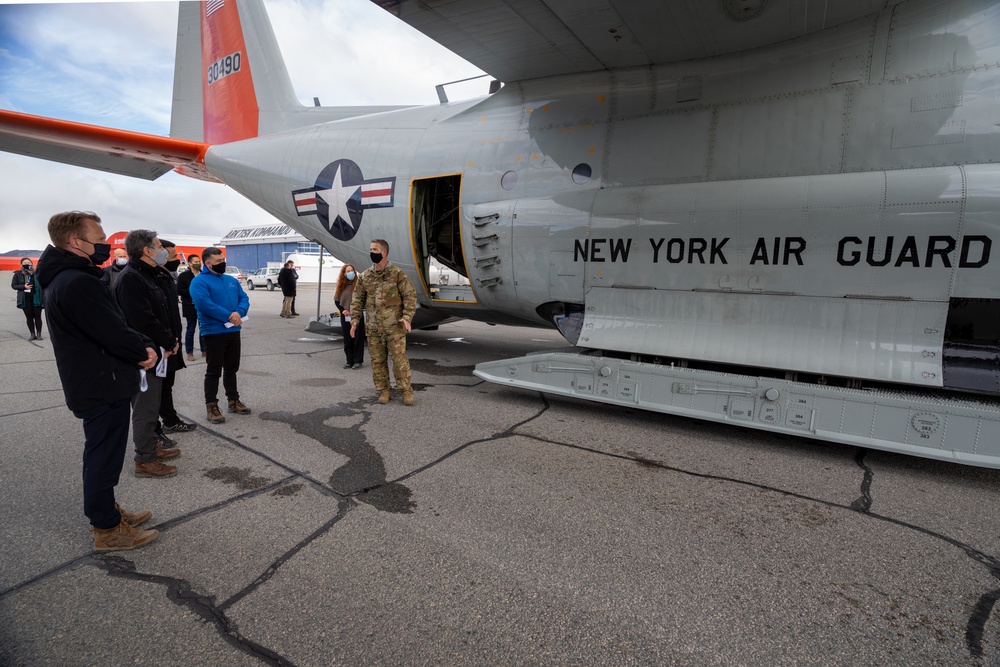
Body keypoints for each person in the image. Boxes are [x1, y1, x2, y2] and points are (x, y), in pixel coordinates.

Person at [35, 210, 159, 551]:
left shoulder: (70, 277)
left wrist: (140, 343)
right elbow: (111, 331)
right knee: (103, 456)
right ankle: (106, 528)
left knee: (102, 452)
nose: (106, 245)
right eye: (100, 239)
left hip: (96, 380)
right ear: (75, 241)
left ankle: (107, 512)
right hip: (101, 384)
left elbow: (111, 323)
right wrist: (144, 349)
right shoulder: (77, 282)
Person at [112, 230, 182, 479]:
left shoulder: (149, 274)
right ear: (147, 250)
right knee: (145, 408)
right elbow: (142, 319)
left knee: (151, 406)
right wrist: (168, 340)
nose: (163, 249)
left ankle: (151, 447)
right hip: (146, 353)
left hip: (158, 349)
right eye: (159, 245)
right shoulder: (131, 278)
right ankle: (144, 459)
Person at [350, 239, 417, 405]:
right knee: (377, 362)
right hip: (373, 328)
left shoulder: (397, 274)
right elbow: (357, 299)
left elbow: (410, 296)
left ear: (384, 252)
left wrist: (407, 317)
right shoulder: (365, 276)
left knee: (399, 360)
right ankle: (384, 390)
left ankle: (405, 391)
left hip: (394, 328)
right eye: (371, 249)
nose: (371, 252)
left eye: (375, 249)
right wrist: (354, 320)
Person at [190, 247, 251, 423]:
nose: (222, 263)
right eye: (218, 261)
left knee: (232, 368)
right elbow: (204, 304)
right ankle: (212, 405)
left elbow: (244, 298)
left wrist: (239, 312)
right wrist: (228, 315)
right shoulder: (199, 282)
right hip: (214, 332)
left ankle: (233, 400)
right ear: (207, 264)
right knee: (213, 371)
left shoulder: (230, 280)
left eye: (223, 260)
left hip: (233, 330)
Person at [157, 240, 197, 434]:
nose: (175, 260)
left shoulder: (165, 277)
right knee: (154, 391)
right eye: (173, 257)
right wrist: (167, 341)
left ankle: (170, 420)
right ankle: (155, 432)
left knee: (166, 385)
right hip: (159, 345)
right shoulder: (142, 279)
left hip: (170, 341)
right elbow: (145, 317)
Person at [334, 263, 365, 369]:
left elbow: (363, 300)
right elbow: (337, 301)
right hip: (345, 315)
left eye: (352, 270)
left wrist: (356, 310)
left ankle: (358, 360)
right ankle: (349, 360)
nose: (350, 272)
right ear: (344, 273)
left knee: (358, 338)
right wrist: (343, 311)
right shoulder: (341, 287)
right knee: (348, 338)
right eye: (348, 271)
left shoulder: (358, 285)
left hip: (357, 315)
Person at [176, 253, 205, 361]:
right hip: (190, 306)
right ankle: (189, 352)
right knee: (190, 330)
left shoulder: (203, 275)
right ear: (189, 263)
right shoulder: (184, 276)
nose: (198, 264)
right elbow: (179, 290)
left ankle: (204, 349)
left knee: (203, 329)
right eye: (195, 262)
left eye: (199, 262)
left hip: (202, 306)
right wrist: (193, 291)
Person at [11, 257, 44, 340]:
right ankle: (32, 334)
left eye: (28, 262)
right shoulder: (18, 274)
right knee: (29, 317)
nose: (27, 263)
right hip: (25, 298)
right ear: (21, 264)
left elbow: (44, 283)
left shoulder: (37, 273)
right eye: (24, 262)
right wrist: (23, 286)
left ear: (32, 264)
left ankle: (39, 334)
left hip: (36, 297)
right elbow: (14, 285)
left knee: (38, 317)